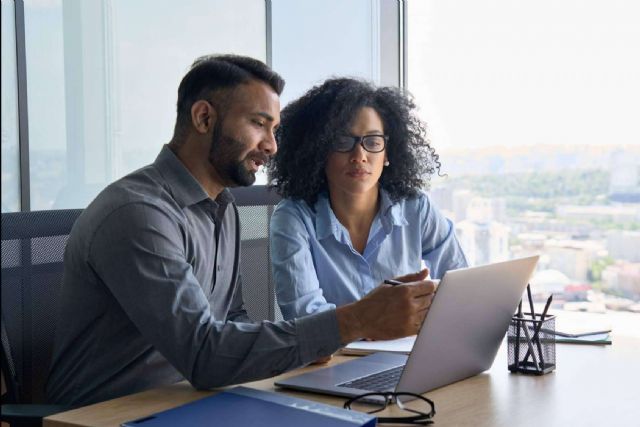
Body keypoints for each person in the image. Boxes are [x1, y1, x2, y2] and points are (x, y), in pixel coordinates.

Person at [45, 55, 437, 407]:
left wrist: (310, 341)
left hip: (195, 402)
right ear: (204, 118)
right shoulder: (139, 214)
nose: (271, 146)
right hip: (110, 414)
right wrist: (353, 321)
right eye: (258, 124)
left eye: (275, 129)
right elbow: (204, 354)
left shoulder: (223, 208)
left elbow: (232, 320)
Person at [268, 78, 467, 321]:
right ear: (319, 150)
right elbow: (305, 318)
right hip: (334, 358)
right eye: (343, 141)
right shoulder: (293, 218)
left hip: (410, 352)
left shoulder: (416, 208)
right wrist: (376, 320)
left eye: (372, 142)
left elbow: (461, 286)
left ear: (387, 153)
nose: (359, 156)